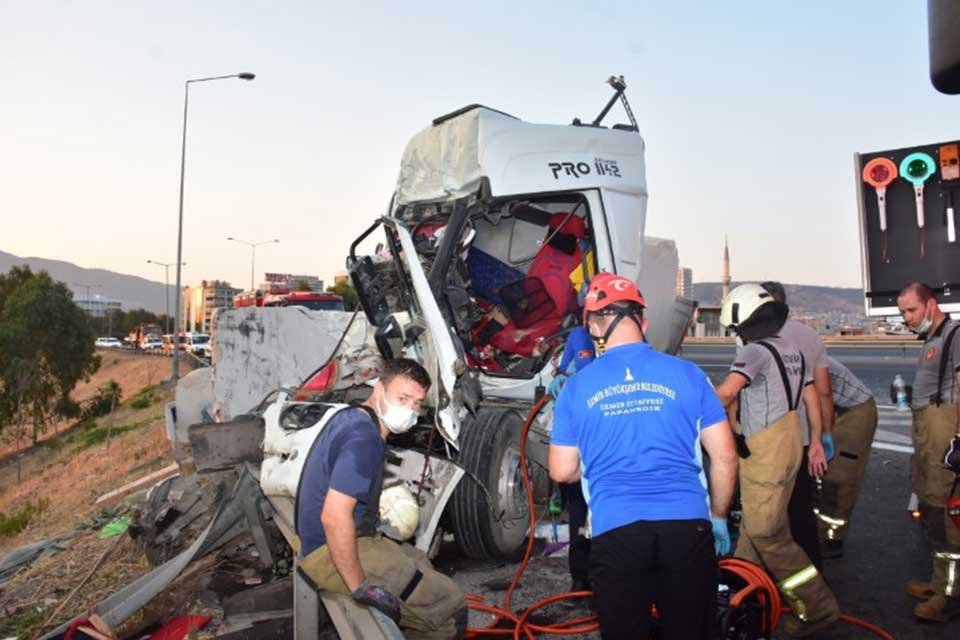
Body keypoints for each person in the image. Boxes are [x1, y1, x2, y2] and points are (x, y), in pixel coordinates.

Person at [548, 272, 738, 640]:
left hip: (616, 533)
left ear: (593, 327)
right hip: (686, 528)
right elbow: (726, 458)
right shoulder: (689, 374)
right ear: (644, 322)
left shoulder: (576, 388)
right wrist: (718, 517)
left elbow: (561, 470)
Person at [296, 358, 467, 639]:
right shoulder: (364, 440)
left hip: (325, 540)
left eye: (416, 403)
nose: (410, 410)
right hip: (329, 551)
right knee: (450, 607)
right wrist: (359, 586)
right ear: (379, 389)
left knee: (420, 561)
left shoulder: (351, 417)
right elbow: (334, 517)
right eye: (403, 398)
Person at [715, 284, 838, 637]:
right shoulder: (791, 348)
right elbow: (813, 396)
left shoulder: (754, 352)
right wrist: (815, 440)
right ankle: (744, 601)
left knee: (768, 534)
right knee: (751, 539)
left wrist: (686, 409)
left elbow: (726, 393)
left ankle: (818, 608)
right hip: (789, 449)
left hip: (765, 456)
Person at [896, 282, 960, 622]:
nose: (906, 318)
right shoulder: (931, 340)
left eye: (911, 310)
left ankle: (950, 594)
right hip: (926, 429)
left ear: (931, 305)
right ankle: (940, 580)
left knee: (946, 513)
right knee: (929, 507)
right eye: (902, 312)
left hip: (943, 430)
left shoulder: (955, 334)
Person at [760, 281, 832, 570]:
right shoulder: (810, 336)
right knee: (801, 507)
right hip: (803, 435)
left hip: (769, 437)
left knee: (767, 509)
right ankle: (813, 568)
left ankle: (767, 574)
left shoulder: (755, 335)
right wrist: (824, 435)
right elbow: (823, 391)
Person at [548, 324, 597, 593]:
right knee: (578, 511)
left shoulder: (623, 334)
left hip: (606, 434)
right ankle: (580, 578)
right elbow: (563, 369)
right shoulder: (578, 336)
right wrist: (561, 379)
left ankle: (609, 579)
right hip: (581, 432)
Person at [815, 356, 878, 558]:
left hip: (852, 413)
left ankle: (833, 538)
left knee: (839, 479)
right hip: (831, 411)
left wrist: (824, 434)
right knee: (821, 477)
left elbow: (824, 394)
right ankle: (819, 531)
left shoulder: (804, 356)